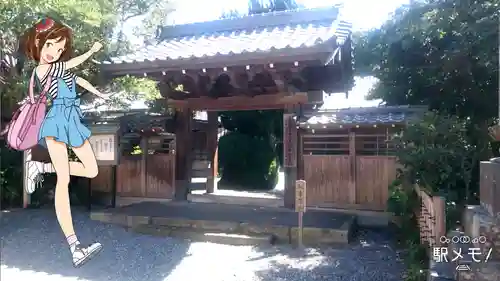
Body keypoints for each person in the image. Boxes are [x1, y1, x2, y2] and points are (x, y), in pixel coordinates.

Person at [20, 18, 111, 267]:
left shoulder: (60, 70)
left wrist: (98, 93)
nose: (54, 52)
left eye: (59, 49)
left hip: (73, 120)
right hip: (56, 120)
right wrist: (91, 51)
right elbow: (70, 64)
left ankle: (42, 167)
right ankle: (74, 246)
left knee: (91, 169)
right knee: (65, 179)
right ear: (38, 43)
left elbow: (77, 80)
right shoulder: (41, 70)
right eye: (50, 45)